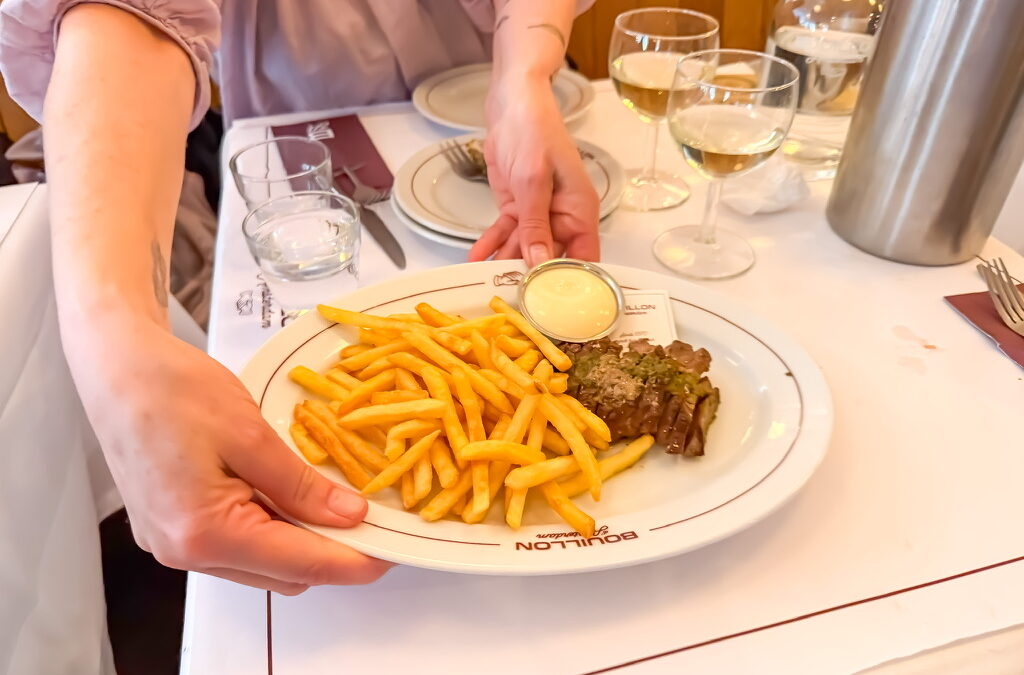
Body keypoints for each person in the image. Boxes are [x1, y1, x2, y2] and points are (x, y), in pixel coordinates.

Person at [0, 1, 598, 672]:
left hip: (492, 120)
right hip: (296, 138)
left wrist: (522, 77)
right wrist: (113, 335)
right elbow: (128, 17)